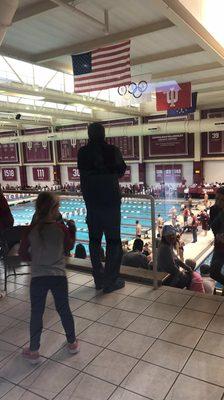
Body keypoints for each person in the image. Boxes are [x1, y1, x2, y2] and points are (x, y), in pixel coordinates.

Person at [19, 192, 79, 363]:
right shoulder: (61, 229)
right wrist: (72, 230)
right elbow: (68, 246)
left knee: (36, 313)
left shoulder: (30, 230)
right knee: (64, 309)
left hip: (38, 277)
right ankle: (72, 343)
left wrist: (37, 259)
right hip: (58, 276)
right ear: (54, 209)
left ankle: (34, 352)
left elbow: (23, 254)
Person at [78, 122, 126, 293]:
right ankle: (110, 281)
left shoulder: (82, 152)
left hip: (92, 203)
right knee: (113, 242)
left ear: (89, 135)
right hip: (111, 202)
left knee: (94, 241)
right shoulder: (112, 151)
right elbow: (121, 170)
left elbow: (83, 173)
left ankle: (99, 279)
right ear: (104, 134)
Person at [209, 186, 224, 285]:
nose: (218, 201)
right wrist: (218, 235)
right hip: (219, 245)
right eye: (217, 198)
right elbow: (213, 226)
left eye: (222, 199)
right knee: (213, 272)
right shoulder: (214, 210)